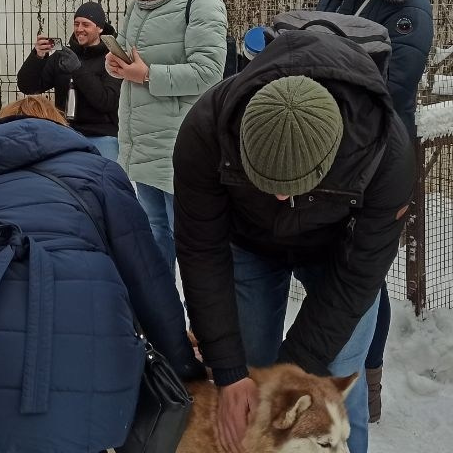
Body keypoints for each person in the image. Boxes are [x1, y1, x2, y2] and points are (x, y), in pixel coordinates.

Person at [173, 29, 416, 453]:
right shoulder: (205, 129)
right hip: (247, 243)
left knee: (335, 376)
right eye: (263, 181)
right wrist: (229, 372)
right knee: (249, 374)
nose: (280, 197)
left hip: (338, 254)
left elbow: (360, 273)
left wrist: (295, 377)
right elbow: (201, 250)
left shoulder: (387, 152)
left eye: (294, 185)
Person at [0, 96, 203, 453]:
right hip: (89, 345)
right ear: (59, 129)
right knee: (80, 428)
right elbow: (145, 276)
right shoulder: (99, 173)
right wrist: (179, 361)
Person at [296, 0, 434, 422]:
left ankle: (365, 382)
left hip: (376, 153)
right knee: (345, 270)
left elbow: (395, 80)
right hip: (336, 147)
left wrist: (327, 104)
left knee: (362, 273)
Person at [105, 0, 227, 272]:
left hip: (181, 146)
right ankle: (161, 314)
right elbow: (130, 52)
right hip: (145, 144)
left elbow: (209, 73)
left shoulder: (201, 1)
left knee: (188, 240)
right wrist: (117, 64)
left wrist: (147, 75)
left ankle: (199, 322)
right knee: (155, 233)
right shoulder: (142, 1)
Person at [16, 1, 121, 161]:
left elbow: (106, 101)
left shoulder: (112, 57)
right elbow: (28, 86)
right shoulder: (63, 55)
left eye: (86, 24)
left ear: (100, 28)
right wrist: (37, 56)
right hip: (65, 132)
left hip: (102, 135)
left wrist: (78, 70)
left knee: (106, 179)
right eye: (76, 24)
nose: (79, 29)